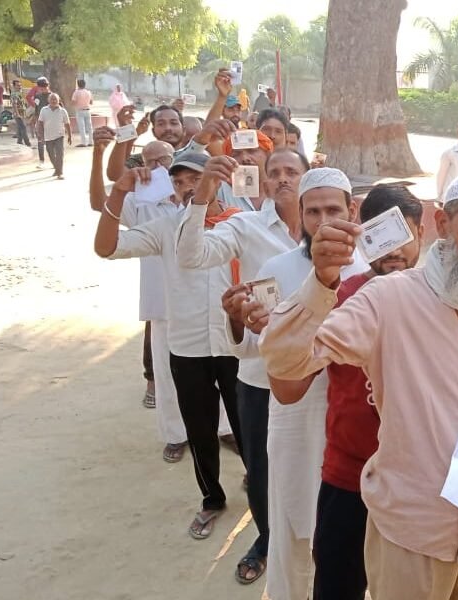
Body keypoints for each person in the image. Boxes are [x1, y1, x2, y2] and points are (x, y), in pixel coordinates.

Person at [260, 173, 458, 600]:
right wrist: (322, 284)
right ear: (442, 224)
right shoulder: (388, 297)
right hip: (411, 527)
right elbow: (289, 363)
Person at [253, 185, 425, 600]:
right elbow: (288, 387)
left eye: (405, 233)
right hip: (349, 478)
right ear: (361, 234)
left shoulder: (444, 303)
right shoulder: (338, 297)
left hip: (418, 480)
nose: (394, 250)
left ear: (424, 232)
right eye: (382, 234)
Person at [228, 168, 369, 600]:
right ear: (301, 215)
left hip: (352, 422)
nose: (324, 222)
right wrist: (239, 320)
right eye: (313, 212)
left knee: (348, 538)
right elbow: (255, 348)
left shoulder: (373, 272)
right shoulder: (276, 269)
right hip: (293, 417)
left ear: (352, 211)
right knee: (290, 526)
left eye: (333, 210)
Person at [94, 152, 246, 541]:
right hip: (188, 346)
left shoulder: (242, 223)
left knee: (248, 426)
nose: (187, 187)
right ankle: (212, 499)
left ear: (216, 179)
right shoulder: (165, 228)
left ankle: (260, 488)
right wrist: (118, 193)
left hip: (235, 345)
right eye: (178, 182)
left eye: (195, 178)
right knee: (200, 429)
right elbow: (106, 248)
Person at [175, 147, 310, 586]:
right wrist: (204, 195)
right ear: (264, 182)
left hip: (319, 375)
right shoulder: (244, 225)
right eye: (276, 173)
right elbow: (191, 256)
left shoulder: (328, 229)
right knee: (261, 468)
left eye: (293, 170)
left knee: (320, 461)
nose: (284, 178)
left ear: (307, 176)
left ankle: (312, 539)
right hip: (259, 375)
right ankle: (268, 539)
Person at [36, 93, 72, 179]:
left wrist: (70, 136)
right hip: (48, 136)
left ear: (58, 100)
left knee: (60, 154)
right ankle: (57, 169)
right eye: (52, 99)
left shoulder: (63, 111)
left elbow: (67, 124)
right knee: (51, 154)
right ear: (48, 100)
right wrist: (40, 135)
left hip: (59, 136)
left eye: (55, 99)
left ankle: (60, 173)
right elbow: (40, 123)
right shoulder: (44, 110)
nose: (53, 101)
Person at [29, 78, 52, 169]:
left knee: (51, 142)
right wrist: (34, 119)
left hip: (51, 122)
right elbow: (36, 109)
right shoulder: (37, 96)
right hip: (40, 121)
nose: (42, 90)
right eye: (40, 88)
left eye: (44, 87)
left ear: (47, 86)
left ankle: (54, 160)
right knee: (40, 142)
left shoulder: (53, 96)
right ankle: (41, 161)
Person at [71, 79, 94, 146]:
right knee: (90, 127)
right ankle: (91, 141)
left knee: (82, 127)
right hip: (87, 110)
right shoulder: (88, 92)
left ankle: (83, 142)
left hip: (80, 111)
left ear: (78, 85)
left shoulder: (76, 92)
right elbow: (91, 102)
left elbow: (73, 102)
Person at [9, 80, 32, 147]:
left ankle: (19, 141)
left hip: (21, 113)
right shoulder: (14, 94)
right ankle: (27, 143)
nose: (19, 87)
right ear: (14, 86)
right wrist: (17, 114)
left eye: (20, 85)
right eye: (18, 85)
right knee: (23, 128)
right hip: (18, 113)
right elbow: (14, 104)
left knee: (19, 127)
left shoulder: (19, 93)